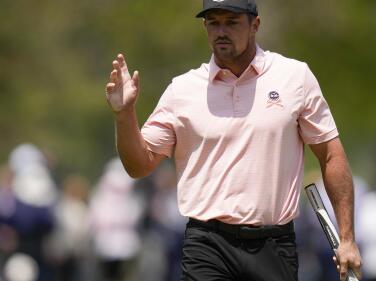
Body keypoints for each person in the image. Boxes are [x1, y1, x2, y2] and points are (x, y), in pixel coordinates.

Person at [104, 0, 362, 280]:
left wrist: (347, 238)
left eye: (232, 21)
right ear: (205, 27)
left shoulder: (294, 77)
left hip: (274, 245)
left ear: (255, 25)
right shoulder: (183, 89)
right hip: (207, 244)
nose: (221, 30)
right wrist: (124, 114)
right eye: (213, 22)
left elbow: (331, 155)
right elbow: (139, 165)